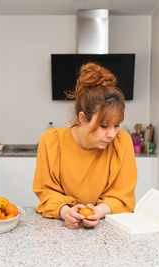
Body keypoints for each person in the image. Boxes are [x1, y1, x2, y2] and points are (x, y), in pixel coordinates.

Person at [33, 62, 137, 229]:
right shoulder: (52, 141)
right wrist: (65, 212)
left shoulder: (121, 142)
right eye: (104, 126)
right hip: (61, 230)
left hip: (106, 229)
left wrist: (98, 211)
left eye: (116, 125)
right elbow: (46, 191)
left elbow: (123, 196)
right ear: (82, 118)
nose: (112, 134)